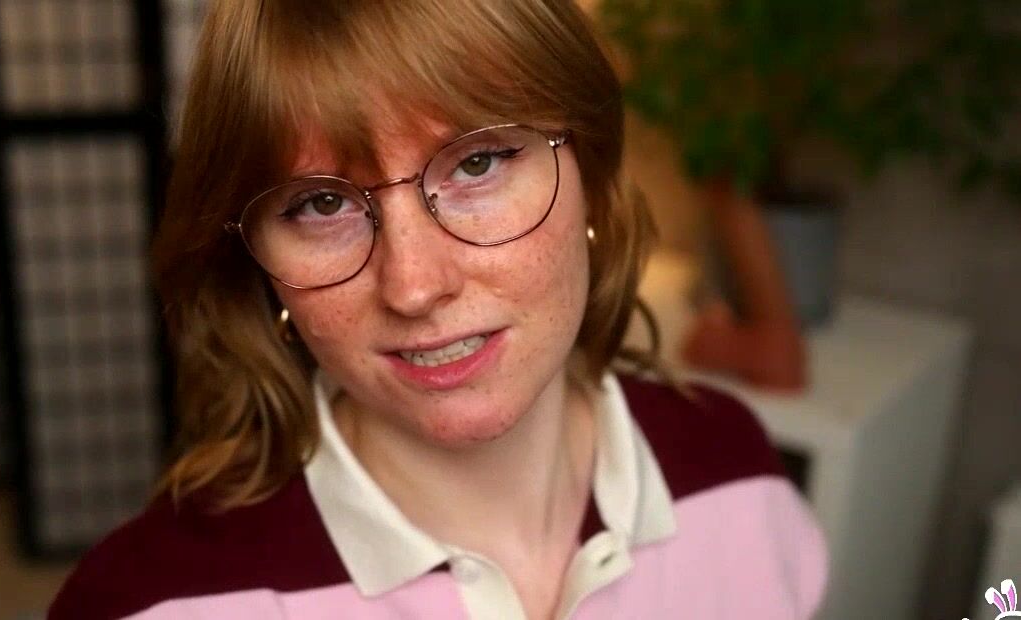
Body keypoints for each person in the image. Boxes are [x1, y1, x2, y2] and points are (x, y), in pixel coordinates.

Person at [50, 0, 827, 618]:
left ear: (590, 173)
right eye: (321, 204)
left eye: (477, 163)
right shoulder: (150, 601)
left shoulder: (737, 474)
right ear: (259, 266)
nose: (414, 286)